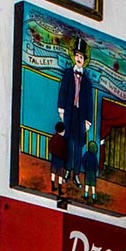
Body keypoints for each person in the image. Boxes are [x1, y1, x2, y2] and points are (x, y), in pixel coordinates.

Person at [56, 39, 95, 201]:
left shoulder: (87, 82)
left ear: (85, 60)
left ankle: (77, 174)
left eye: (81, 56)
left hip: (81, 116)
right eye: (77, 55)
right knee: (68, 143)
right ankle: (66, 170)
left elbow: (89, 102)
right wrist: (61, 109)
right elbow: (63, 92)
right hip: (70, 113)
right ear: (74, 57)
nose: (79, 58)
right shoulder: (67, 74)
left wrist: (88, 121)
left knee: (78, 145)